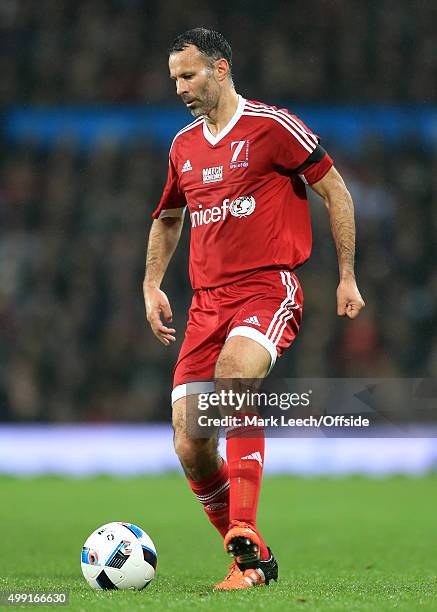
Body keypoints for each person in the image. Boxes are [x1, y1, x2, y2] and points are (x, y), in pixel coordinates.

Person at [143, 27, 365, 590]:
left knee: (235, 377)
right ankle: (247, 558)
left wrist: (346, 275)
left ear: (219, 69)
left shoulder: (272, 127)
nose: (180, 88)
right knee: (191, 444)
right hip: (205, 304)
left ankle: (245, 523)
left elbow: (334, 189)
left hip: (268, 287)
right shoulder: (183, 146)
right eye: (174, 79)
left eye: (188, 75)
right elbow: (169, 217)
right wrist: (152, 284)